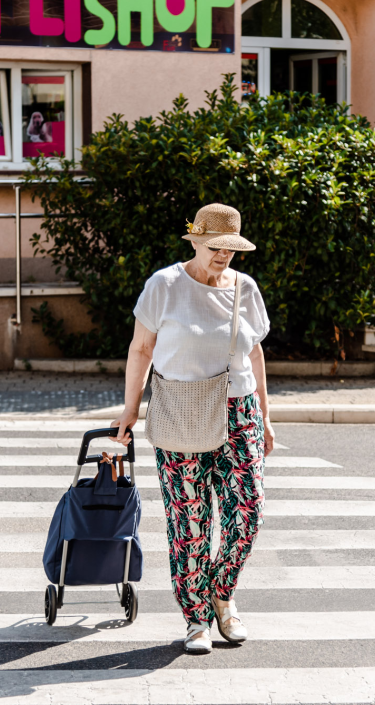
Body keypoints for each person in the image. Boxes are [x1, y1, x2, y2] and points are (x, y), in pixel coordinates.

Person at [111, 203, 274, 655]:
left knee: (250, 509)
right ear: (196, 239)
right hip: (181, 407)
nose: (224, 255)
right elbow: (141, 349)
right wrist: (130, 410)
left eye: (231, 248)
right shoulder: (164, 285)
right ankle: (197, 618)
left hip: (238, 411)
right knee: (190, 521)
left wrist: (265, 413)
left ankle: (222, 593)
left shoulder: (245, 288)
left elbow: (254, 353)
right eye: (216, 246)